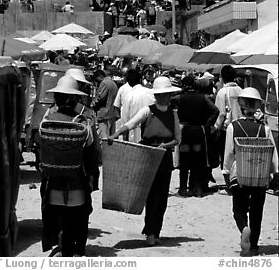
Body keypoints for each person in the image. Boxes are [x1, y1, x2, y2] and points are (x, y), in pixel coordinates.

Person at [109, 76, 181, 246]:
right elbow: (131, 124)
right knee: (151, 195)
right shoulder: (148, 111)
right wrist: (115, 134)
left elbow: (177, 139)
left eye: (166, 95)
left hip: (164, 157)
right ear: (156, 96)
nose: (163, 98)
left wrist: (166, 144)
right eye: (160, 95)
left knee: (162, 196)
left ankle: (156, 231)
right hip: (148, 155)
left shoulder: (174, 115)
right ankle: (150, 230)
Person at [38, 76, 100, 257]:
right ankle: (77, 250)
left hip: (53, 186)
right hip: (76, 186)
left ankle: (61, 247)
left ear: (56, 98)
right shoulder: (82, 123)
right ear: (74, 100)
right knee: (79, 218)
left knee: (60, 217)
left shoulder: (47, 121)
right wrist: (91, 177)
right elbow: (90, 153)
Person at [222, 87, 278, 257]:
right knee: (257, 211)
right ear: (256, 106)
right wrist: (273, 173)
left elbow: (229, 153)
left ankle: (243, 228)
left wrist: (226, 173)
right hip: (260, 176)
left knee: (238, 209)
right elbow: (273, 154)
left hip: (240, 174)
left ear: (242, 104)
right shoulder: (265, 129)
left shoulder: (233, 126)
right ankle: (253, 245)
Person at [172, 75, 219, 197]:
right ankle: (198, 190)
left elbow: (168, 101)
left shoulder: (180, 98)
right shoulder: (203, 98)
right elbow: (215, 110)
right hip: (199, 132)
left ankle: (183, 189)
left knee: (184, 160)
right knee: (198, 161)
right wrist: (208, 124)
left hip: (185, 133)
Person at [213, 65, 243, 171]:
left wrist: (216, 128)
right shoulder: (240, 90)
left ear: (222, 77)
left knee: (226, 155)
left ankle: (227, 180)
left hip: (226, 130)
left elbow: (220, 113)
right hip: (241, 128)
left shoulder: (222, 92)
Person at [120, 69, 155, 143]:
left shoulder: (128, 96)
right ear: (140, 79)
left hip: (134, 136)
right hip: (151, 135)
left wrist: (125, 140)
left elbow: (125, 121)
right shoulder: (151, 92)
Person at [92, 69, 118, 139]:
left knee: (103, 139)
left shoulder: (104, 83)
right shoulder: (113, 83)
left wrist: (92, 104)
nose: (97, 84)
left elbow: (99, 98)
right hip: (112, 114)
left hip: (104, 115)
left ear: (100, 76)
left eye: (97, 81)